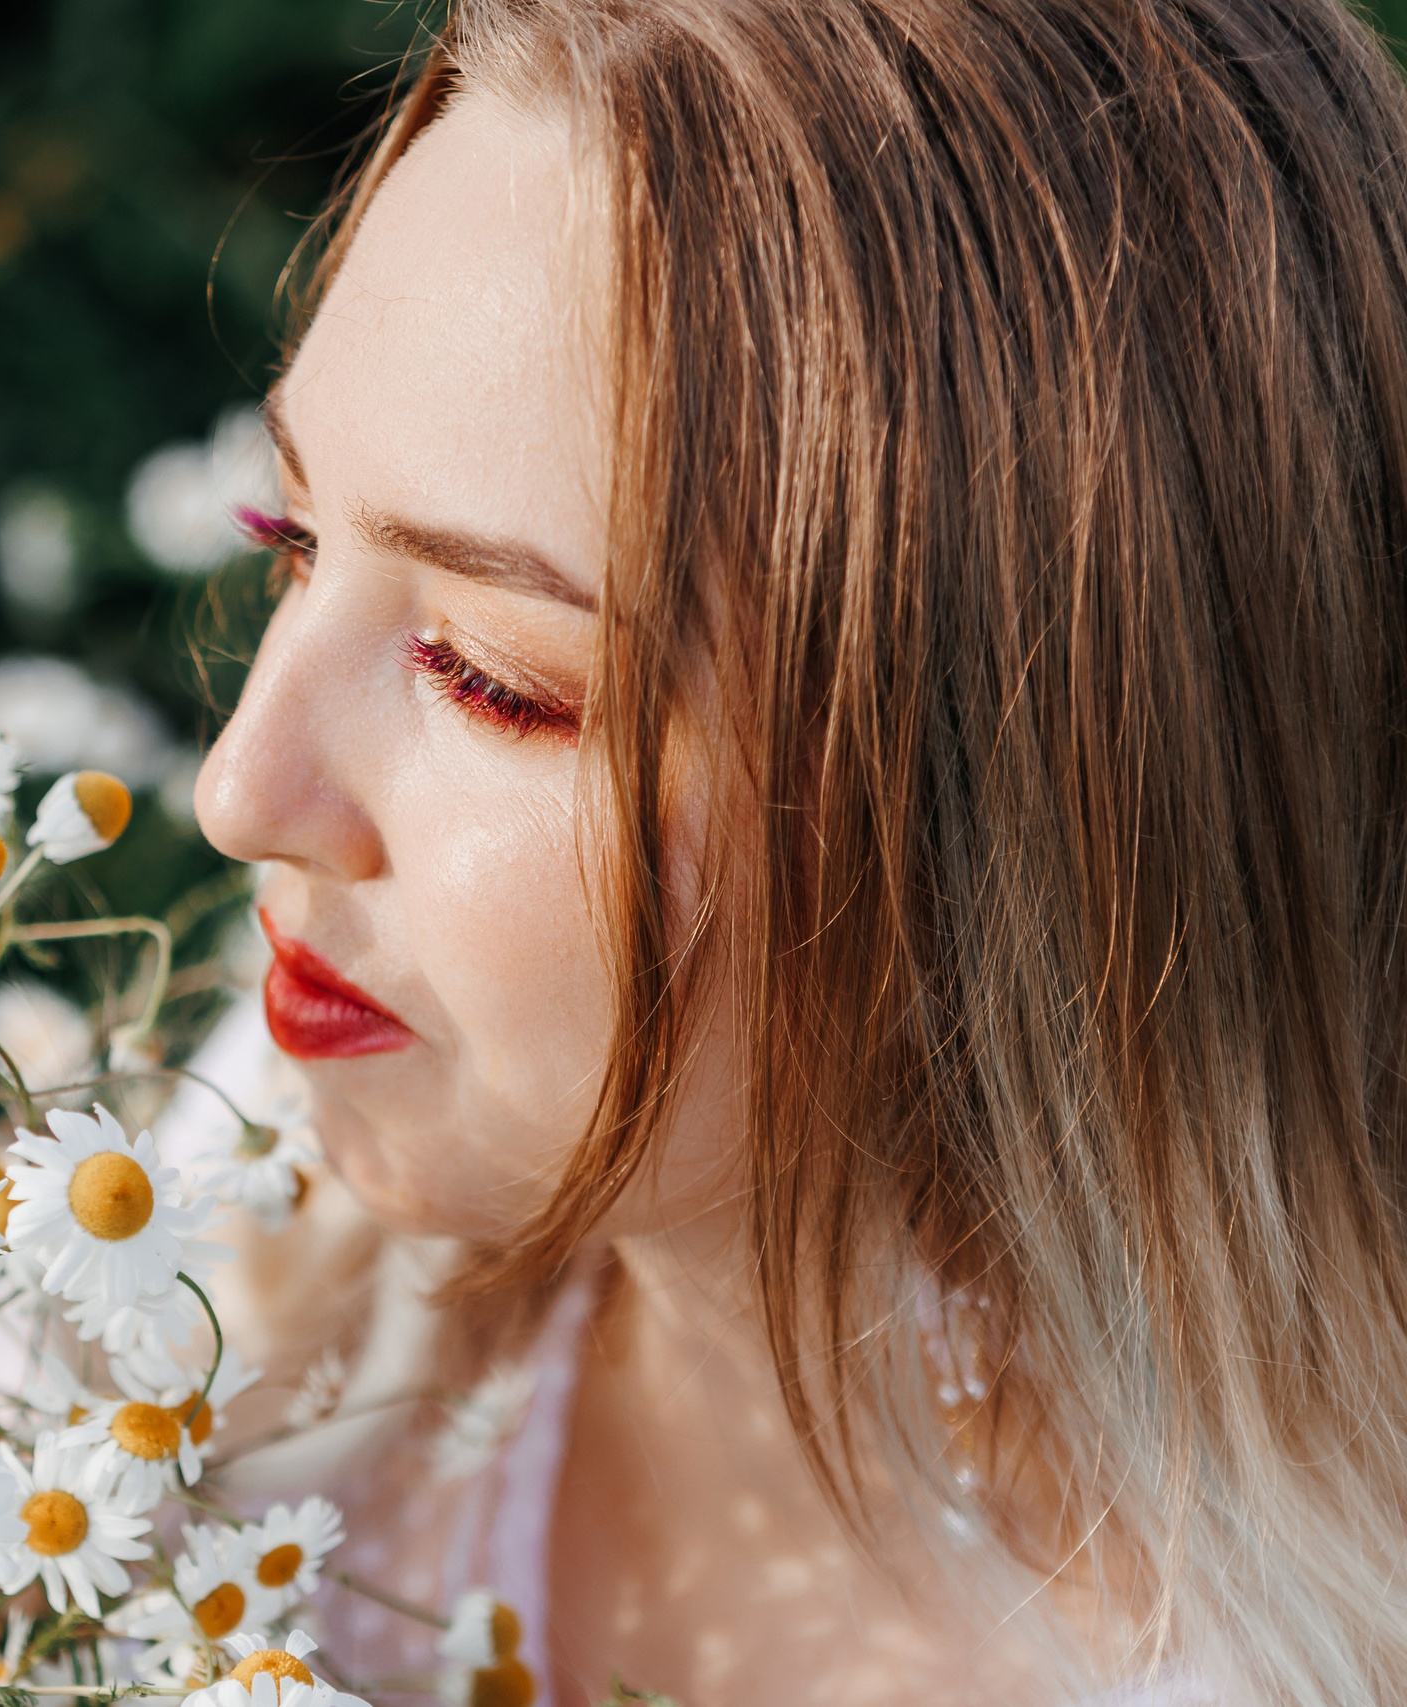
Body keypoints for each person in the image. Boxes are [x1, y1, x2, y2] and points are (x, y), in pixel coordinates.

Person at [191, 1, 1407, 1701]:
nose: (242, 792)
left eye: (497, 679)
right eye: (289, 539)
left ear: (1035, 841)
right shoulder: (228, 1224)